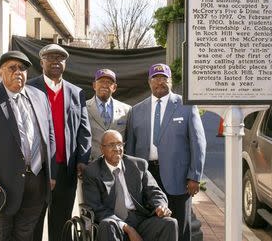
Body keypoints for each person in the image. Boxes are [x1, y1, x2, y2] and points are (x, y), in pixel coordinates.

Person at [0, 50, 56, 241]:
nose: (18, 72)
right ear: (0, 72)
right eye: (12, 68)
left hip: (35, 186)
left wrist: (50, 173)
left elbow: (50, 136)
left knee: (26, 236)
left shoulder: (39, 96)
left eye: (22, 68)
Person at [125, 63, 206, 241]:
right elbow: (130, 148)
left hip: (178, 177)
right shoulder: (136, 110)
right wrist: (130, 178)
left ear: (171, 81)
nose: (160, 82)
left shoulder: (186, 105)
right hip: (146, 176)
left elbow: (198, 142)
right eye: (156, 78)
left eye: (164, 78)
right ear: (149, 82)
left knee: (181, 226)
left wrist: (194, 176)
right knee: (153, 225)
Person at [28, 43, 92, 241]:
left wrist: (82, 159)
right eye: (50, 57)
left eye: (60, 58)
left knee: (61, 222)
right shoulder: (29, 88)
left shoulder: (76, 92)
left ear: (65, 63)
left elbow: (84, 129)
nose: (56, 61)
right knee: (34, 221)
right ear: (42, 62)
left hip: (66, 169)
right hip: (38, 169)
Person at [83, 130, 178, 241]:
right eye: (111, 145)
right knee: (107, 224)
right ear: (102, 148)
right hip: (113, 222)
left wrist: (160, 206)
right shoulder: (92, 171)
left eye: (119, 144)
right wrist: (127, 228)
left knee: (170, 223)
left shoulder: (138, 165)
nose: (117, 149)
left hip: (140, 219)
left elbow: (155, 192)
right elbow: (97, 209)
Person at [87, 68, 131, 161]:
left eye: (109, 82)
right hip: (92, 163)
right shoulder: (82, 108)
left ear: (114, 87)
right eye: (101, 81)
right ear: (94, 85)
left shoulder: (127, 110)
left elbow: (130, 139)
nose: (104, 85)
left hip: (117, 163)